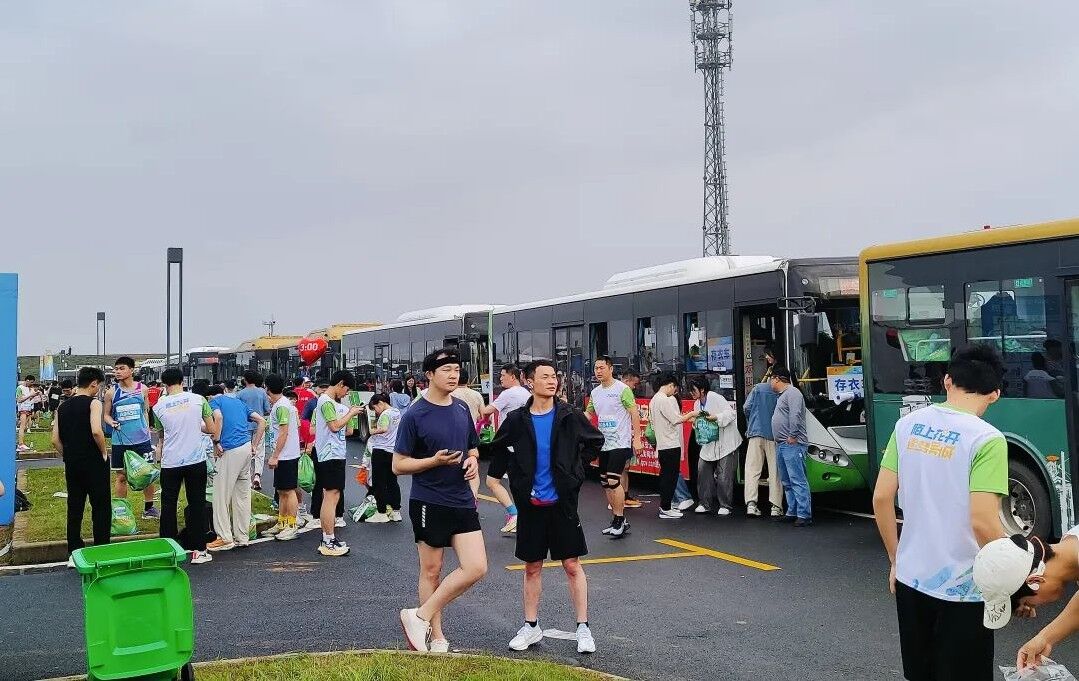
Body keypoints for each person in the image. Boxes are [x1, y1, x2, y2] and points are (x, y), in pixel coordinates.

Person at [872, 345, 1009, 681]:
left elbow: (882, 497)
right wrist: (1012, 578)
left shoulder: (907, 425)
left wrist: (896, 560)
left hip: (911, 579)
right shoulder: (987, 439)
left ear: (947, 380)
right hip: (964, 589)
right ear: (995, 394)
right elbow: (983, 522)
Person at [488, 359, 603, 654]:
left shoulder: (569, 415)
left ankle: (583, 628)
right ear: (530, 382)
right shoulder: (517, 419)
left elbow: (595, 441)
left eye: (555, 377)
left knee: (572, 565)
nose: (552, 381)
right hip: (531, 505)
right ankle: (531, 626)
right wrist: (514, 478)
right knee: (532, 567)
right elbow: (498, 447)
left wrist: (574, 472)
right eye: (546, 377)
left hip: (562, 504)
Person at [395, 348, 487, 654]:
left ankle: (418, 616)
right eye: (446, 370)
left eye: (456, 370)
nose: (453, 375)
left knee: (476, 567)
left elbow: (472, 448)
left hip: (462, 498)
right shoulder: (415, 414)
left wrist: (473, 460)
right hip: (428, 501)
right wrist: (433, 461)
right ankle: (436, 637)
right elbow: (398, 465)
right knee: (431, 571)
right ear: (430, 375)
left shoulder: (461, 408)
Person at [153, 367, 215, 565]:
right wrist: (197, 426)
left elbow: (161, 433)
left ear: (164, 384)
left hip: (170, 461)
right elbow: (211, 428)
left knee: (168, 505)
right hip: (195, 460)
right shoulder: (199, 400)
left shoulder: (158, 406)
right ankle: (199, 550)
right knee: (196, 504)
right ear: (182, 381)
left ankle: (168, 550)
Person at [52, 367, 110, 560]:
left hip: (72, 462)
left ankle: (74, 550)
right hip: (94, 461)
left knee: (75, 506)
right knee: (100, 506)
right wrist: (103, 452)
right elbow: (96, 431)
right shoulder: (94, 403)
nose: (98, 389)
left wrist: (68, 454)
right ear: (94, 383)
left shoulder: (62, 407)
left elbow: (55, 440)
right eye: (98, 386)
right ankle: (101, 549)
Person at [585, 357, 642, 538]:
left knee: (613, 480)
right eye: (596, 368)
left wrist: (637, 438)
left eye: (602, 368)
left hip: (620, 442)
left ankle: (619, 518)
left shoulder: (622, 389)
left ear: (610, 369)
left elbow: (634, 413)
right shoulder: (595, 392)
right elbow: (589, 413)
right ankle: (618, 520)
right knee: (604, 482)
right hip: (604, 444)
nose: (598, 371)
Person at [206, 383, 266, 552]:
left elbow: (218, 418)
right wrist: (254, 445)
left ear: (209, 396)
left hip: (230, 450)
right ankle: (242, 536)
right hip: (246, 447)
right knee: (242, 496)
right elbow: (262, 421)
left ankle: (224, 538)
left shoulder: (214, 403)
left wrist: (216, 441)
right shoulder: (239, 403)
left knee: (220, 496)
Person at [313, 370, 365, 556]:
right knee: (330, 496)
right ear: (341, 384)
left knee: (333, 496)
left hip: (335, 454)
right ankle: (328, 540)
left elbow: (348, 431)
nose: (346, 394)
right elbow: (334, 427)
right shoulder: (326, 401)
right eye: (347, 389)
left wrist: (350, 414)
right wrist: (351, 413)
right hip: (330, 455)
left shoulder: (333, 403)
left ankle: (329, 538)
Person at [103, 357, 158, 519]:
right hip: (120, 441)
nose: (117, 372)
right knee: (121, 476)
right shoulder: (111, 392)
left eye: (121, 368)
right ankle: (122, 512)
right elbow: (106, 415)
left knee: (147, 473)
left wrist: (147, 430)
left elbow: (145, 411)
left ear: (131, 370)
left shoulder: (143, 389)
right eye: (116, 369)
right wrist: (111, 422)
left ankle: (149, 508)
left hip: (142, 440)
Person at [480, 364, 531, 534]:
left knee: (492, 482)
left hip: (506, 443)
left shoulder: (508, 394)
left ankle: (514, 514)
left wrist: (476, 402)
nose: (500, 378)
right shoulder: (527, 394)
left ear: (513, 376)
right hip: (523, 444)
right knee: (519, 482)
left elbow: (487, 411)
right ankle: (524, 517)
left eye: (502, 375)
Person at [689, 375, 740, 516]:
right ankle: (704, 503)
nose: (691, 393)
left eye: (693, 390)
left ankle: (725, 505)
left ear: (702, 390)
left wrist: (716, 417)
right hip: (708, 442)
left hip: (725, 441)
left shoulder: (716, 398)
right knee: (702, 470)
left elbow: (730, 414)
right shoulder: (696, 404)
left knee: (724, 475)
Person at [261, 375, 302, 541]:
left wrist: (275, 456)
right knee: (281, 490)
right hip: (284, 454)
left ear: (267, 388)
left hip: (286, 455)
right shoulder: (280, 404)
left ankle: (291, 525)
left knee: (289, 490)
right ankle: (282, 522)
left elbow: (284, 432)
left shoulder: (282, 406)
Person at [649, 372, 695, 519]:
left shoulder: (654, 400)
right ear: (670, 385)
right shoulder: (664, 400)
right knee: (670, 477)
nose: (674, 392)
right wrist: (691, 414)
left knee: (666, 476)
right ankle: (666, 508)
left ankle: (666, 506)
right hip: (670, 444)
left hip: (663, 444)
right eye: (674, 388)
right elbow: (676, 419)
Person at [770, 368, 812, 526]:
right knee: (787, 480)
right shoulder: (783, 395)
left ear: (777, 378)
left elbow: (795, 415)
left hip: (792, 444)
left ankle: (804, 514)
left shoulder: (793, 393)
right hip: (782, 444)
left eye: (771, 379)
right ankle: (792, 511)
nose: (770, 382)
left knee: (797, 479)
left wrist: (793, 435)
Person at [743, 378, 783, 517]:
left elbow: (746, 407)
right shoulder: (780, 391)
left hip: (755, 433)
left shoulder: (758, 388)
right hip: (773, 435)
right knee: (775, 471)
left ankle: (751, 504)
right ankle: (776, 507)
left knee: (752, 470)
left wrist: (752, 421)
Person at [366, 393, 403, 524]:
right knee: (392, 481)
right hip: (393, 451)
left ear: (380, 403)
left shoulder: (385, 414)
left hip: (381, 450)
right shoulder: (396, 412)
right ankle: (396, 511)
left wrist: (372, 431)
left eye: (375, 408)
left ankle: (381, 512)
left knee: (379, 482)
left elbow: (384, 428)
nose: (375, 411)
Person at [235, 370, 271, 491]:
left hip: (244, 427)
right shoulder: (262, 392)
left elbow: (238, 411)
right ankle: (257, 475)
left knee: (247, 451)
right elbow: (267, 409)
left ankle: (248, 478)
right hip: (259, 426)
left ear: (245, 380)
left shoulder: (240, 394)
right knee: (259, 451)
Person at [618, 370, 643, 509]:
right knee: (621, 468)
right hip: (621, 438)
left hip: (625, 436)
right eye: (634, 384)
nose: (634, 388)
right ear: (627, 380)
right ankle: (619, 499)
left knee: (625, 467)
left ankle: (625, 496)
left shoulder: (621, 391)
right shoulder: (623, 391)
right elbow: (634, 414)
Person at [291, 377, 317, 451]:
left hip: (293, 421)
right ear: (303, 383)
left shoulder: (291, 394)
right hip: (306, 422)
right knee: (308, 443)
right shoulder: (310, 393)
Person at [16, 375, 39, 452]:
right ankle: (20, 444)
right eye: (31, 382)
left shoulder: (28, 389)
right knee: (22, 427)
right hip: (22, 409)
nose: (32, 384)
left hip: (28, 409)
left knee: (24, 427)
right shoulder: (19, 388)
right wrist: (30, 395)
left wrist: (34, 395)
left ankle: (21, 443)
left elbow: (28, 399)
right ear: (27, 380)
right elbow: (19, 400)